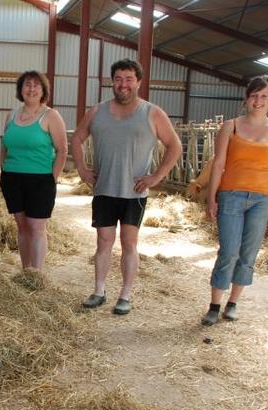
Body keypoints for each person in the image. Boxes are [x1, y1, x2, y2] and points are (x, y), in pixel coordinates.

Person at [71, 58, 182, 315]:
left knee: (129, 242)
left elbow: (174, 146)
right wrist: (82, 168)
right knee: (103, 241)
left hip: (135, 192)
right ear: (112, 82)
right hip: (104, 189)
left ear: (139, 82)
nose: (123, 84)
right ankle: (99, 291)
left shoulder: (152, 113)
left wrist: (157, 176)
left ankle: (125, 295)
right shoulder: (97, 111)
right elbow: (76, 139)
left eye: (129, 79)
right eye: (118, 79)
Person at [201, 75, 268, 326]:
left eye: (264, 96)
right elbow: (218, 165)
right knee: (228, 251)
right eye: (254, 95)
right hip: (231, 196)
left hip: (264, 199)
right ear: (246, 97)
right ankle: (214, 305)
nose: (258, 100)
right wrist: (211, 198)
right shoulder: (231, 126)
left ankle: (233, 303)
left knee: (248, 253)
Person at [0, 70, 68, 270]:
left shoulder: (51, 116)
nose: (31, 89)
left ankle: (36, 274)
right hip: (12, 178)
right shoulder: (11, 115)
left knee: (36, 228)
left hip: (40, 180)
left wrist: (51, 179)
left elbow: (62, 150)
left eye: (36, 85)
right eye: (27, 85)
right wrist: (4, 168)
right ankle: (25, 269)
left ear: (43, 90)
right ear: (21, 89)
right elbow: (5, 145)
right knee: (21, 227)